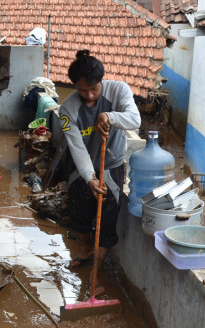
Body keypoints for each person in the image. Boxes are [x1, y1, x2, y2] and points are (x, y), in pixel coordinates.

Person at [60, 50, 141, 269]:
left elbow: (135, 120)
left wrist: (109, 116)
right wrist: (89, 178)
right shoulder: (67, 109)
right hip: (82, 165)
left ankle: (98, 264)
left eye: (93, 89)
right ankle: (86, 249)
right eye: (82, 91)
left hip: (112, 163)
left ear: (101, 82)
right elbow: (77, 148)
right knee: (79, 207)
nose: (89, 96)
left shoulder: (119, 90)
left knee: (109, 209)